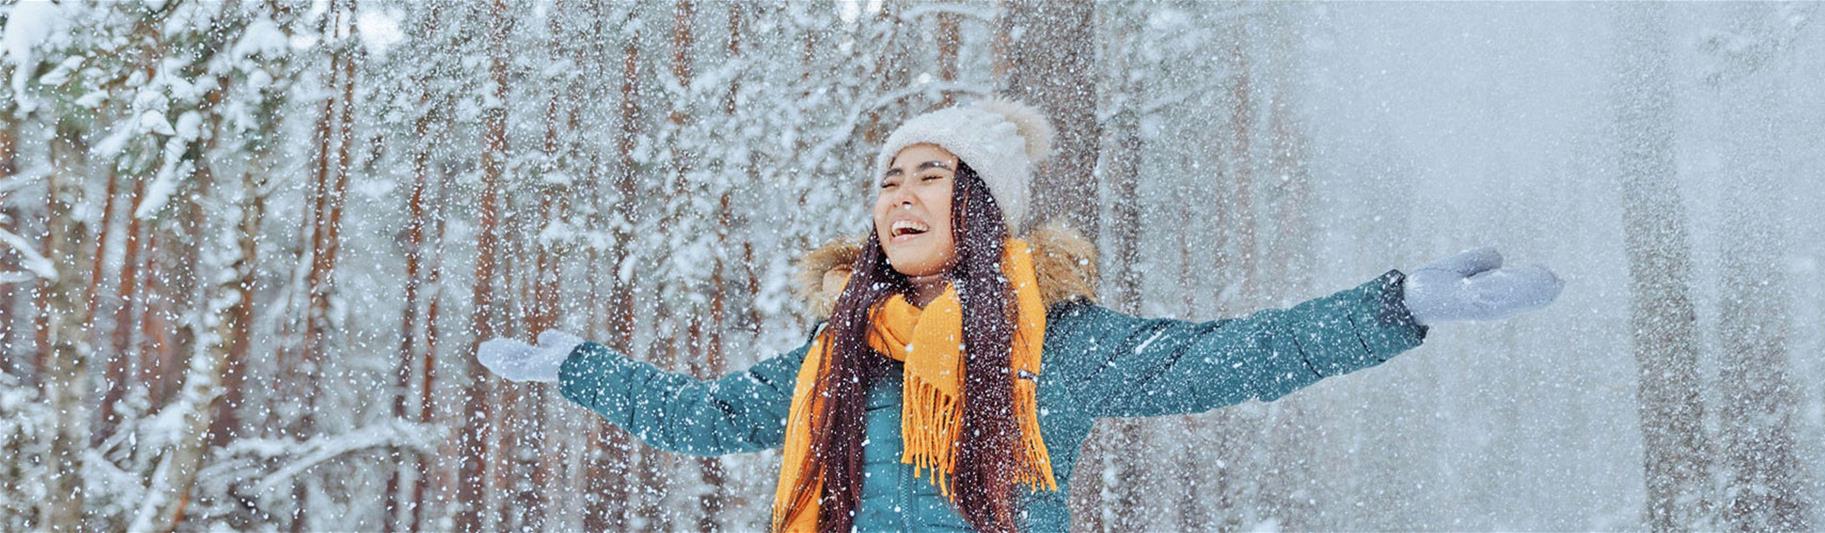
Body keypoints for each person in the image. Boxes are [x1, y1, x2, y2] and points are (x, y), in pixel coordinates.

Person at [477, 97, 1563, 532]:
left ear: (983, 202)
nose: (899, 194)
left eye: (931, 173)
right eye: (889, 176)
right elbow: (706, 414)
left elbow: (1239, 355)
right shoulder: (841, 351)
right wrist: (581, 364)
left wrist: (1394, 303)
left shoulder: (1066, 347)